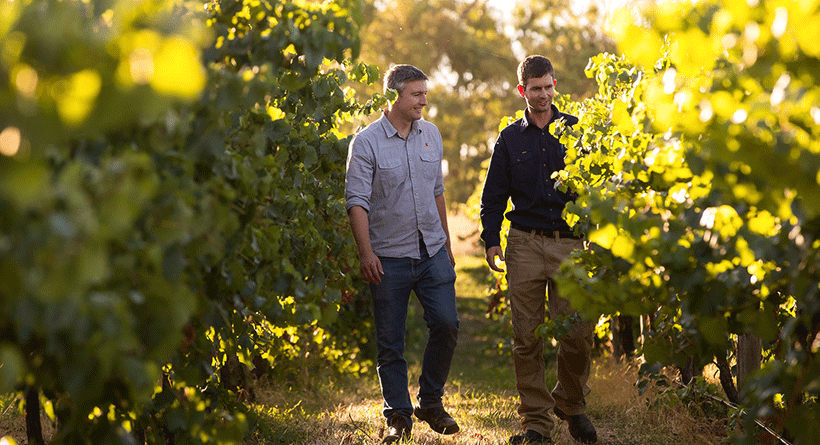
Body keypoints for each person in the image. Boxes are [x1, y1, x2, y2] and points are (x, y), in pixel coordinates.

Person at [479, 55, 597, 444]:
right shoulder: (511, 138)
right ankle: (536, 423)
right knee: (526, 337)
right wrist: (491, 240)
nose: (543, 94)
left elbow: (597, 189)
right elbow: (493, 194)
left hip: (571, 245)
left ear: (554, 85)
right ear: (522, 91)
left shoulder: (576, 132)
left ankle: (571, 403)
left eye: (548, 86)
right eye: (535, 88)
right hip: (524, 243)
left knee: (578, 333)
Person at [345, 64, 460, 444]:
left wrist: (446, 241)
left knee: (446, 324)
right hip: (388, 256)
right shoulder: (365, 143)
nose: (424, 101)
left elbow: (437, 191)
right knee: (390, 342)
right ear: (395, 96)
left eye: (424, 93)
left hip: (431, 250)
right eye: (416, 95)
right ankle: (398, 414)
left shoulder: (432, 134)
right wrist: (366, 254)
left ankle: (430, 400)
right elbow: (357, 202)